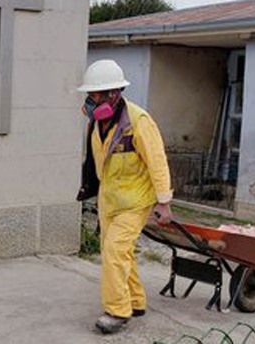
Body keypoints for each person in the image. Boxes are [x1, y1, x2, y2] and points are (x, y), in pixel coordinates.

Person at [77, 60, 173, 334]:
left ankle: (117, 311)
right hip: (109, 200)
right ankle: (135, 300)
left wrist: (164, 202)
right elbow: (94, 162)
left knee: (114, 252)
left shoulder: (138, 121)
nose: (90, 101)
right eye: (90, 96)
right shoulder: (96, 124)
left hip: (135, 201)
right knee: (122, 252)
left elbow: (157, 161)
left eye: (95, 96)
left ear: (114, 94)